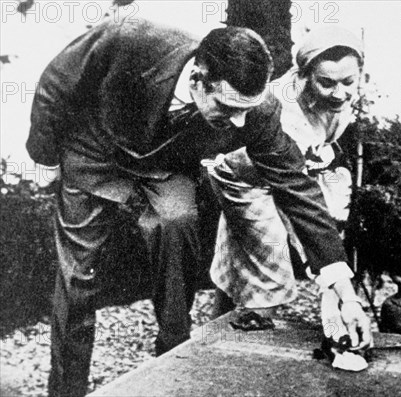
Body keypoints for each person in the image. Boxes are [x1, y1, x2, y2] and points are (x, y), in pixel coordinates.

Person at [27, 16, 371, 397]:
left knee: (178, 222)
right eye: (227, 107)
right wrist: (45, 157)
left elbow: (297, 188)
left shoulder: (256, 111)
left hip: (164, 165)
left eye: (247, 109)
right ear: (197, 81)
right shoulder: (128, 38)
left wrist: (344, 289)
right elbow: (56, 83)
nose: (239, 122)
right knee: (78, 279)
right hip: (94, 152)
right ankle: (66, 390)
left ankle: (173, 363)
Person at [209, 27, 365, 342]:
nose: (339, 94)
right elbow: (295, 192)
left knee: (319, 238)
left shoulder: (341, 97)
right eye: (327, 83)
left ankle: (215, 336)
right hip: (244, 177)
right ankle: (230, 353)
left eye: (349, 82)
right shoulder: (283, 110)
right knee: (270, 265)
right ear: (303, 75)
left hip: (289, 176)